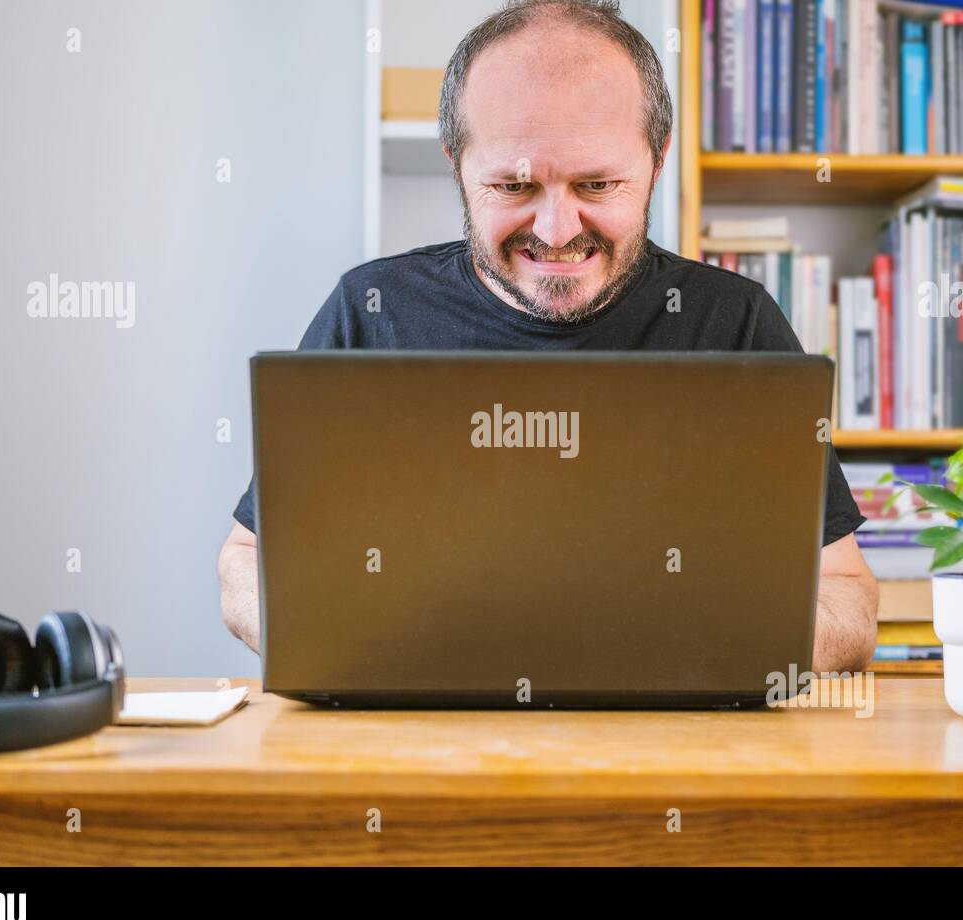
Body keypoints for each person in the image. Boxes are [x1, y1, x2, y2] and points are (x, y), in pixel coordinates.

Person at [219, 0, 878, 671]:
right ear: (457, 165)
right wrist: (369, 644)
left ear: (657, 159)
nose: (558, 230)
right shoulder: (371, 310)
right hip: (419, 744)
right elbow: (243, 567)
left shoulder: (736, 323)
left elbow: (848, 601)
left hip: (675, 752)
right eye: (513, 184)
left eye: (598, 183)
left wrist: (692, 649)